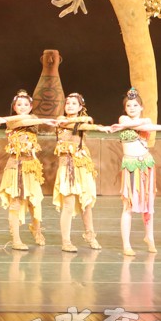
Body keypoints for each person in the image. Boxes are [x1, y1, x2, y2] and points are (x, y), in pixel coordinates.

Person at [108, 88, 161, 255]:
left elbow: (147, 125)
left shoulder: (147, 121)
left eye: (135, 105)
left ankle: (149, 237)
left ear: (141, 107)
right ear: (125, 108)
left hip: (146, 165)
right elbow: (131, 125)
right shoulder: (123, 119)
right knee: (128, 206)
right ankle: (126, 245)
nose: (132, 108)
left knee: (148, 204)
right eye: (129, 105)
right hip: (130, 167)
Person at [0, 90, 57, 250]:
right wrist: (5, 119)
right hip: (15, 166)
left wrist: (43, 119)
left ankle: (36, 229)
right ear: (14, 107)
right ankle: (16, 239)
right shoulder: (11, 123)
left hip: (30, 166)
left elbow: (28, 119)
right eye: (19, 104)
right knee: (16, 202)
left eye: (26, 104)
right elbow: (19, 121)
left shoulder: (33, 120)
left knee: (35, 201)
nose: (22, 107)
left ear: (31, 106)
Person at [53, 92, 107, 252]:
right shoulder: (61, 120)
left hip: (82, 166)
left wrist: (95, 126)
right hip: (66, 167)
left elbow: (85, 124)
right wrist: (90, 123)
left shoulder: (82, 123)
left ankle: (90, 236)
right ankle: (66, 241)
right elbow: (76, 123)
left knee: (86, 204)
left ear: (80, 107)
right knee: (68, 204)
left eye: (74, 103)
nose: (69, 105)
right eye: (67, 103)